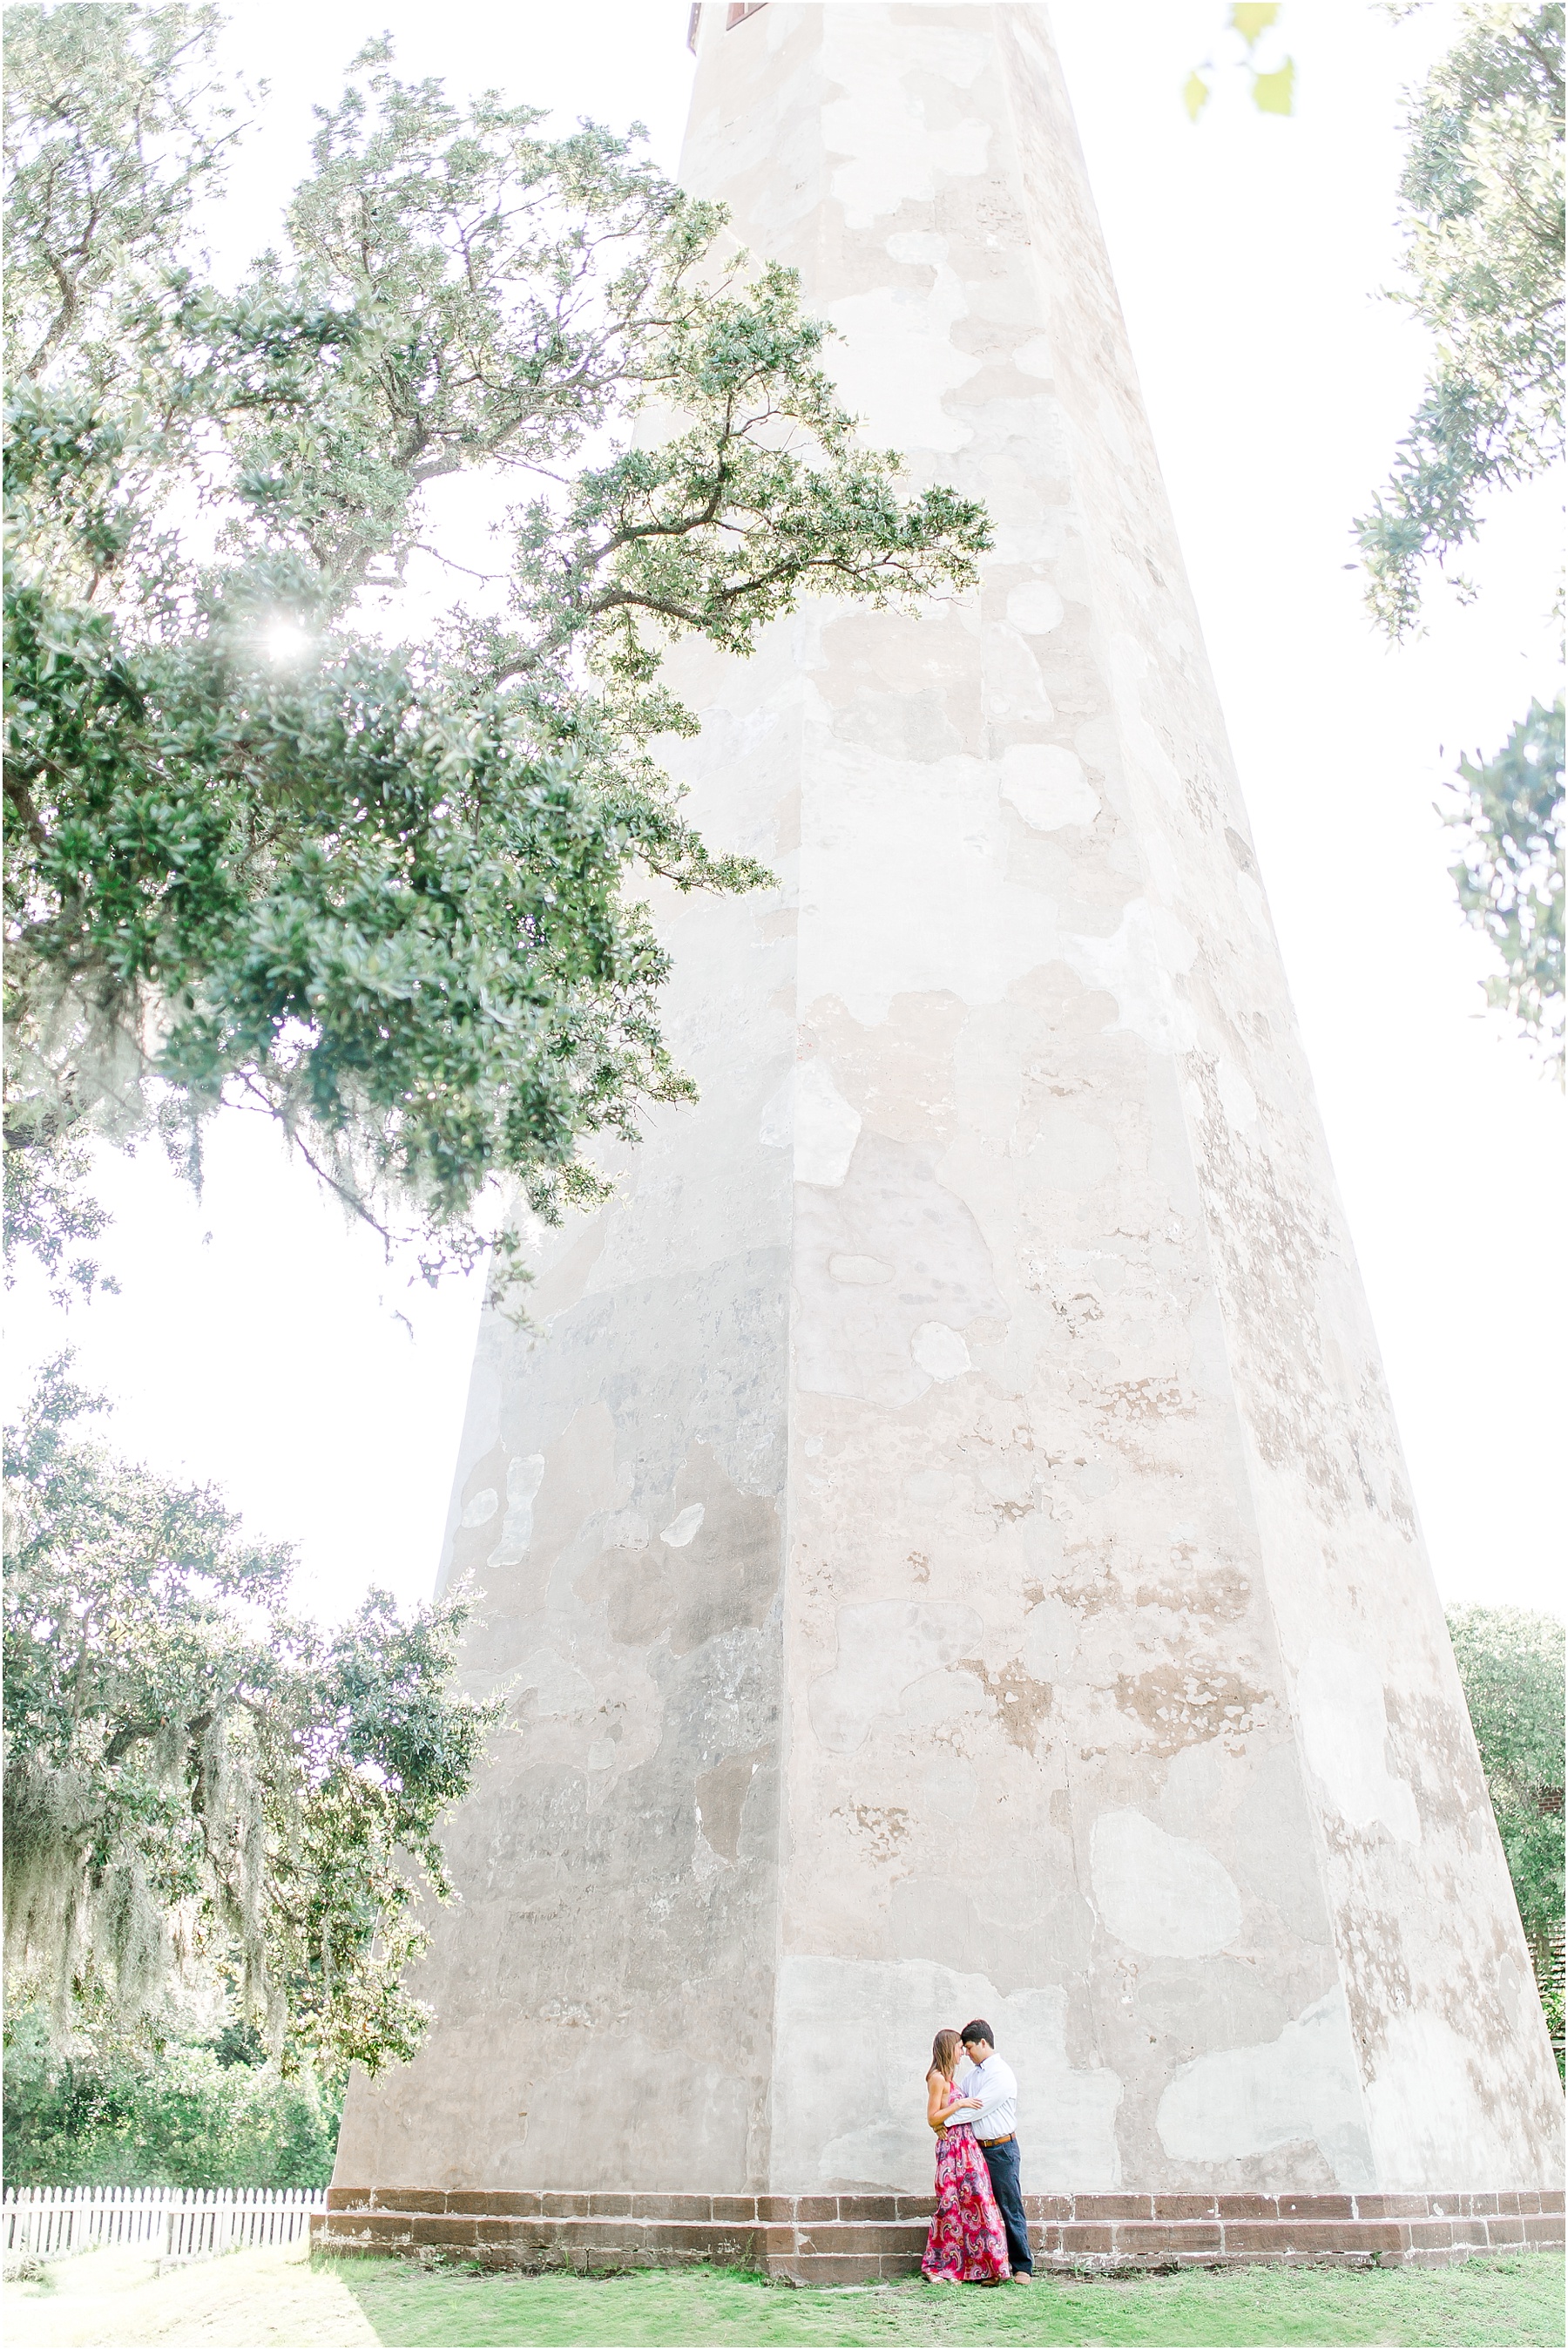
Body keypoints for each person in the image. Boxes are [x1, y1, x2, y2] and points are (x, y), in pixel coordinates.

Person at [919, 2026, 1010, 2285]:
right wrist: (958, 2105)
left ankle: (986, 2266)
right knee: (949, 2206)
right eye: (960, 2048)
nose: (963, 2053)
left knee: (977, 2203)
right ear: (950, 2048)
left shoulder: (951, 2079)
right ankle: (939, 2267)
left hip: (967, 2148)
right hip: (952, 2151)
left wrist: (949, 2117)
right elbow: (932, 2117)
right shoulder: (937, 2078)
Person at [956, 2018, 1033, 2280]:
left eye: (969, 2047)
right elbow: (959, 2098)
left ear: (983, 2043)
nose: (966, 2053)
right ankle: (993, 2266)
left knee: (1009, 2205)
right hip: (978, 2150)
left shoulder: (1000, 2074)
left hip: (1001, 2150)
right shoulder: (973, 2075)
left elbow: (976, 2108)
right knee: (983, 2208)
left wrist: (942, 2121)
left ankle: (1023, 2266)